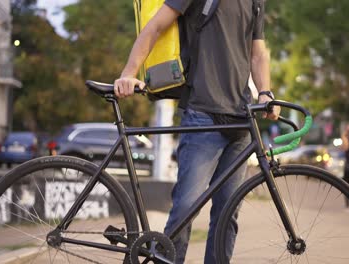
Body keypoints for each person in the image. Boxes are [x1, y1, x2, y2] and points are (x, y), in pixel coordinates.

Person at [113, 1, 281, 263]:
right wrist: (128, 73)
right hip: (202, 113)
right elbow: (155, 27)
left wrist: (265, 91)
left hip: (241, 118)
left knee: (228, 215)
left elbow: (257, 52)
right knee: (184, 211)